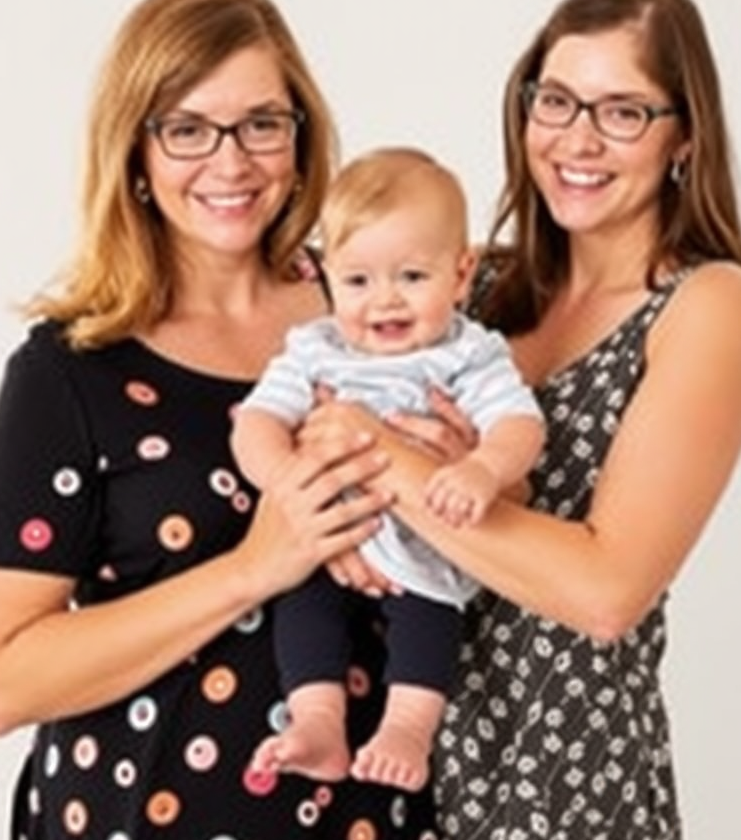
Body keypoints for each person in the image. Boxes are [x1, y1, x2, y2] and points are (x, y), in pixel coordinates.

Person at [0, 0, 446, 840]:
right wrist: (258, 566)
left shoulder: (378, 310)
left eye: (263, 122)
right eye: (188, 129)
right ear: (135, 151)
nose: (232, 162)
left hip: (367, 835)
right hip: (142, 839)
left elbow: (487, 501)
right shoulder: (71, 371)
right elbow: (0, 679)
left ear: (301, 136)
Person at [304, 0, 741, 840]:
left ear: (684, 135)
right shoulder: (468, 287)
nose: (577, 139)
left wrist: (392, 462)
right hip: (401, 760)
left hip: (566, 787)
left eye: (624, 111)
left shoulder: (708, 304)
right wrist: (339, 525)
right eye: (556, 101)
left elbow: (606, 592)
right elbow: (322, 419)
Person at [232, 147, 545, 793]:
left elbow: (521, 427)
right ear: (327, 280)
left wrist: (482, 469)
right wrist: (287, 480)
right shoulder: (315, 351)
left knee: (432, 613)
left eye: (411, 276)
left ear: (460, 276)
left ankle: (408, 727)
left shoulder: (467, 356)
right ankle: (318, 721)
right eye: (358, 282)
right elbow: (256, 422)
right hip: (326, 539)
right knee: (301, 603)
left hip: (423, 540)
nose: (385, 301)